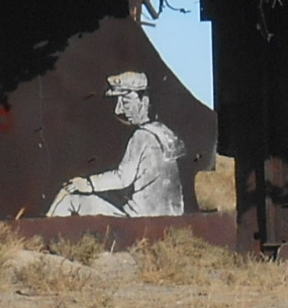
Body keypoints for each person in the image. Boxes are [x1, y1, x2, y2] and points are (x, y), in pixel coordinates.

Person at [46, 70, 185, 218]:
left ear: (144, 101)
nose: (119, 110)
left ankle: (42, 231)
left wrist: (88, 184)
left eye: (125, 102)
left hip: (139, 219)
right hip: (170, 216)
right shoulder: (164, 132)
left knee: (70, 200)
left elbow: (122, 178)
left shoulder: (142, 136)